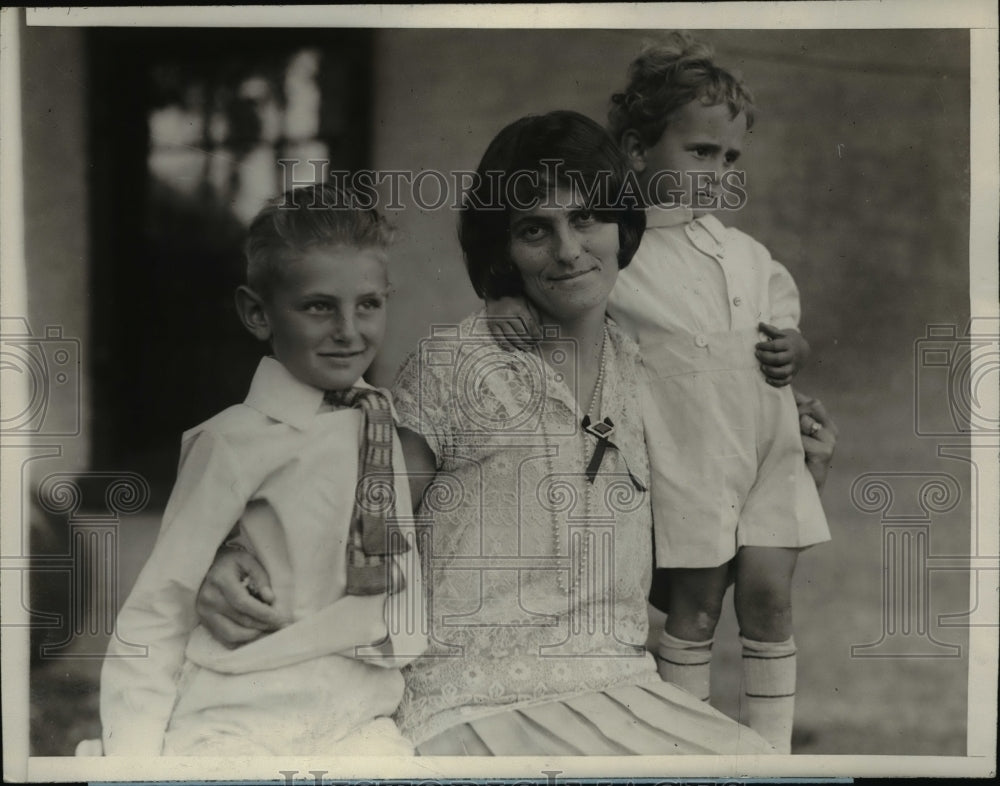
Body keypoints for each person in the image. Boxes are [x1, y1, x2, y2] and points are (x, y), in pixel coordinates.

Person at [196, 111, 777, 756]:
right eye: (535, 229)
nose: (567, 250)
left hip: (621, 689)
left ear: (622, 225)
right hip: (472, 707)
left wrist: (785, 475)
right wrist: (225, 553)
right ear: (504, 249)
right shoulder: (458, 364)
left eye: (586, 218)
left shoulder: (649, 374)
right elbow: (356, 528)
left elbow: (676, 571)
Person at [484, 33, 831, 753]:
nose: (717, 172)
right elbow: (551, 293)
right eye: (700, 152)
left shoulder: (746, 252)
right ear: (639, 151)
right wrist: (502, 303)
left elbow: (787, 327)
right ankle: (685, 747)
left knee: (770, 597)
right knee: (694, 610)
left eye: (730, 158)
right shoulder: (618, 249)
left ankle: (771, 753)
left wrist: (790, 351)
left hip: (769, 451)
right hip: (690, 457)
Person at [96, 184, 426, 756]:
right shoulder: (233, 442)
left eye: (369, 303)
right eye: (320, 306)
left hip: (358, 717)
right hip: (243, 712)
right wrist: (132, 756)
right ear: (257, 312)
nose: (349, 330)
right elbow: (160, 604)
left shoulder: (388, 422)